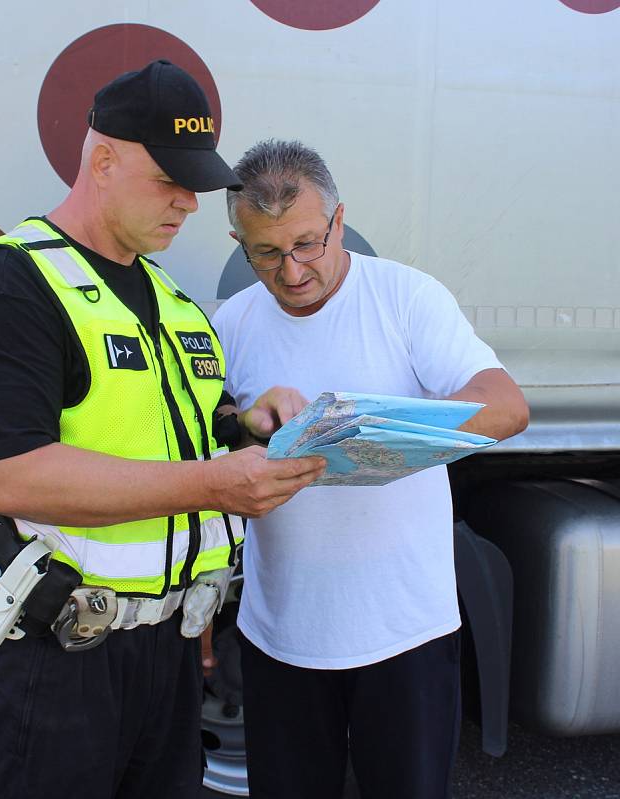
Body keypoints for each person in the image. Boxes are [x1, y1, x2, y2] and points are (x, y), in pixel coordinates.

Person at [0, 65, 325, 799]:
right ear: (103, 160)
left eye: (196, 184)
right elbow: (5, 474)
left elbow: (184, 434)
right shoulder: (14, 284)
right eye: (168, 179)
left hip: (167, 649)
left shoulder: (175, 303)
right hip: (53, 648)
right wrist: (215, 482)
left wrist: (249, 425)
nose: (186, 203)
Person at [210, 139, 529, 799]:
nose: (292, 271)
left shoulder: (407, 298)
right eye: (265, 252)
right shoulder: (230, 323)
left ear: (338, 218)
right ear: (238, 238)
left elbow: (505, 407)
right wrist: (250, 428)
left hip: (405, 634)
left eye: (308, 244)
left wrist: (373, 434)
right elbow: (209, 454)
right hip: (281, 638)